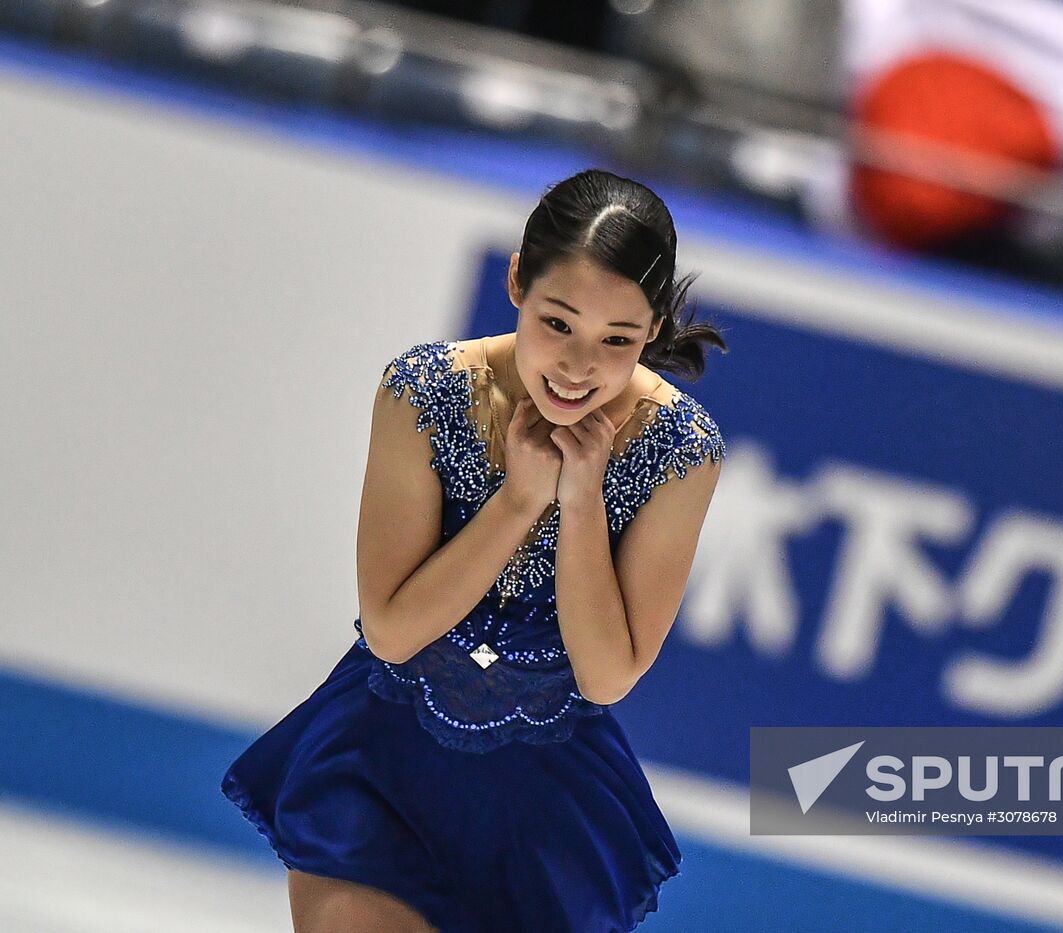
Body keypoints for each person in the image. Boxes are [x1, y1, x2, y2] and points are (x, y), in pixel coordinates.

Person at [220, 168, 729, 932]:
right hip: (381, 765)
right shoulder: (425, 390)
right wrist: (519, 500)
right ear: (519, 280)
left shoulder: (679, 447)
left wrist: (581, 498)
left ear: (652, 330)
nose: (578, 365)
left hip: (541, 808)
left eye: (616, 340)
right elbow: (391, 631)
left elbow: (608, 673)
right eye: (559, 323)